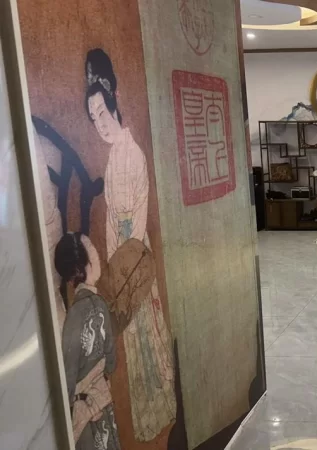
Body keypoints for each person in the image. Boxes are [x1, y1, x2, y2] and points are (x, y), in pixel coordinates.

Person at [85, 48, 176, 441]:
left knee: (147, 333)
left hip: (134, 257)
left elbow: (135, 220)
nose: (100, 124)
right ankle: (147, 417)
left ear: (115, 101)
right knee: (136, 342)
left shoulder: (132, 153)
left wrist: (124, 265)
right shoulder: (112, 157)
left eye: (102, 113)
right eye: (93, 118)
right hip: (121, 256)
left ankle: (162, 407)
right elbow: (110, 221)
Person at [55, 233, 121, 450]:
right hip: (100, 404)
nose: (97, 255)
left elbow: (68, 376)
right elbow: (111, 362)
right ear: (80, 268)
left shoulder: (73, 315)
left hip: (83, 412)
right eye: (92, 250)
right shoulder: (99, 305)